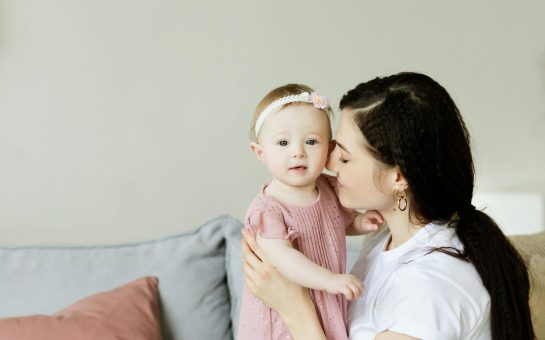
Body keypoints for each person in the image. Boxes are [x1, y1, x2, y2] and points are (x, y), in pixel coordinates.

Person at [241, 73, 535, 340]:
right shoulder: (387, 236)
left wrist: (294, 307)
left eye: (343, 157)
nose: (327, 165)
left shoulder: (430, 290)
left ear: (397, 176)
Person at [237, 84, 384, 340]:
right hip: (283, 312)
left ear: (329, 149)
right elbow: (281, 258)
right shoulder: (267, 209)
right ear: (260, 152)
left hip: (324, 301)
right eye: (283, 142)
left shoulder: (328, 188)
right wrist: (329, 280)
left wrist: (359, 222)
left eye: (311, 141)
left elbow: (335, 224)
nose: (298, 152)